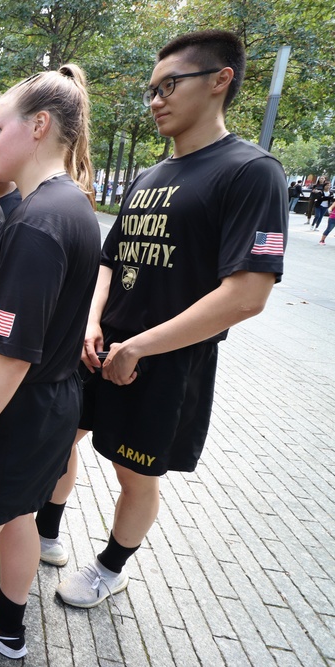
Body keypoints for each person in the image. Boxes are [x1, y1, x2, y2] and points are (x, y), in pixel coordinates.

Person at [53, 30, 286, 612]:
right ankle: (45, 529)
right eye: (152, 89)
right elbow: (112, 259)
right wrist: (92, 322)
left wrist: (141, 349)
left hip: (170, 361)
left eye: (169, 85)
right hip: (100, 349)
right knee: (57, 437)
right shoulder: (148, 176)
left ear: (219, 80)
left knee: (136, 476)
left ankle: (111, 568)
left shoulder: (252, 172)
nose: (156, 99)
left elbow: (246, 294)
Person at [0, 64, 100, 666]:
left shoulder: (38, 222)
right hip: (46, 407)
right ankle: (8, 627)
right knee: (17, 518)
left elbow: (7, 353)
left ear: (38, 126)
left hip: (12, 413)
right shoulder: (68, 205)